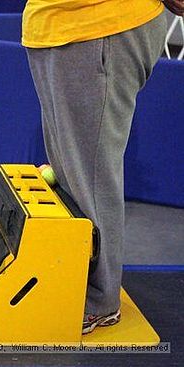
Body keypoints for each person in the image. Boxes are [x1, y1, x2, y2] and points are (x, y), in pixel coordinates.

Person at [22, 0, 183, 334]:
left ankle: (99, 300)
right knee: (72, 172)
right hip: (57, 22)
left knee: (90, 179)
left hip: (101, 23)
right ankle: (78, 284)